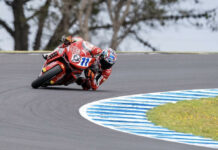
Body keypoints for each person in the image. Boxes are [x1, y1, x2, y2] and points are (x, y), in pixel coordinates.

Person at [43, 36, 117, 90]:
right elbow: (84, 43)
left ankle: (69, 79)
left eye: (108, 65)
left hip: (87, 70)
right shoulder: (97, 51)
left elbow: (95, 85)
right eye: (104, 62)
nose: (105, 65)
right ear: (101, 56)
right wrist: (73, 41)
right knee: (68, 43)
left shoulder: (107, 72)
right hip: (81, 60)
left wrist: (91, 78)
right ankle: (50, 54)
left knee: (86, 86)